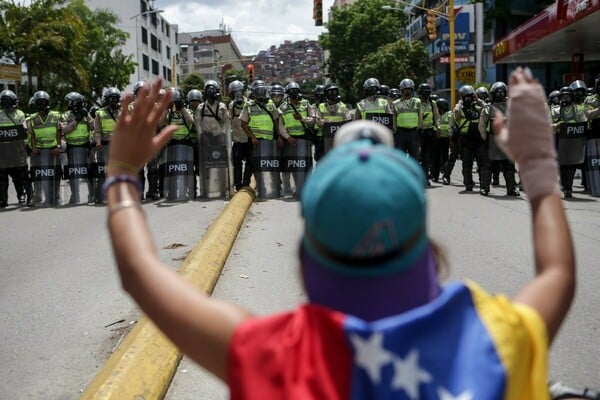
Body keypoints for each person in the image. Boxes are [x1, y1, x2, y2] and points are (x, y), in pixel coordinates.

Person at [104, 70, 574, 398]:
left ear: (305, 260)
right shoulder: (495, 341)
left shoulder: (277, 358)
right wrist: (537, 167)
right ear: (431, 250)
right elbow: (557, 273)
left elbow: (139, 272)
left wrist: (123, 173)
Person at [479, 81, 520, 197]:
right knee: (492, 166)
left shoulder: (510, 107)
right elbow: (482, 126)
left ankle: (508, 189)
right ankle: (487, 188)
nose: (500, 95)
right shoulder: (489, 108)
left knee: (507, 166)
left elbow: (517, 122)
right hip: (497, 140)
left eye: (502, 93)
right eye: (499, 93)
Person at [453, 85, 491, 195]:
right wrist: (460, 102)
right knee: (467, 164)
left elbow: (487, 109)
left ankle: (483, 185)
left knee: (483, 163)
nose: (468, 99)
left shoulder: (478, 108)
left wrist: (478, 100)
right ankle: (468, 184)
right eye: (465, 97)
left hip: (479, 140)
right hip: (466, 140)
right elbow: (456, 112)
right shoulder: (460, 109)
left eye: (470, 96)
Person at [27, 90, 62, 206]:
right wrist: (34, 148)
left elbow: (59, 131)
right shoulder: (32, 118)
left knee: (56, 175)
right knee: (41, 175)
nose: (42, 105)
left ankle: (56, 198)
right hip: (40, 151)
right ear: (36, 104)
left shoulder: (55, 115)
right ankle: (43, 198)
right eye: (39, 102)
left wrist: (58, 146)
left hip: (53, 151)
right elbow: (32, 135)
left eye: (44, 102)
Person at [552, 86, 587, 198]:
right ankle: (563, 184)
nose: (565, 99)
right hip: (559, 141)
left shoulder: (578, 110)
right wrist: (555, 126)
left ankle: (568, 188)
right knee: (562, 165)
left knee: (571, 165)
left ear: (572, 97)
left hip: (573, 142)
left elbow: (584, 123)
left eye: (568, 96)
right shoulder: (555, 110)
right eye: (563, 97)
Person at [60, 91, 94, 204]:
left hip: (86, 147)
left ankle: (92, 195)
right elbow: (65, 130)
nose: (68, 103)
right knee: (73, 173)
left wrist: (87, 116)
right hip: (72, 147)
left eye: (69, 101)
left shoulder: (86, 114)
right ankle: (75, 196)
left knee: (90, 173)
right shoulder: (65, 115)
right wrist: (77, 119)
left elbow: (93, 127)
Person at [0, 89, 32, 207]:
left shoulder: (20, 114)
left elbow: (25, 132)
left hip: (17, 150)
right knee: (2, 177)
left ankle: (26, 196)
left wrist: (27, 146)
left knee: (21, 176)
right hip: (3, 152)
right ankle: (3, 199)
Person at [93, 87, 122, 203]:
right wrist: (98, 142)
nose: (113, 101)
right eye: (111, 98)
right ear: (106, 99)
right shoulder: (99, 113)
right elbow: (97, 131)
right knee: (104, 171)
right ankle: (102, 195)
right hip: (104, 146)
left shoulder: (123, 111)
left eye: (115, 98)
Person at [228, 80, 252, 192]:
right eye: (235, 92)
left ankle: (246, 182)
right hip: (237, 139)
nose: (237, 93)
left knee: (250, 161)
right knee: (237, 163)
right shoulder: (232, 105)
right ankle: (238, 184)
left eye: (238, 91)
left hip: (248, 137)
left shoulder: (249, 103)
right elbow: (229, 120)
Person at [416, 83, 441, 185]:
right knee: (418, 156)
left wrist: (438, 127)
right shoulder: (416, 102)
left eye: (428, 93)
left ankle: (425, 178)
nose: (426, 95)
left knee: (427, 157)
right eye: (424, 93)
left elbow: (436, 116)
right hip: (418, 132)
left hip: (429, 132)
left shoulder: (432, 103)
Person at [392, 78, 421, 161]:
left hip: (413, 132)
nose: (408, 91)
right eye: (406, 89)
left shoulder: (417, 102)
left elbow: (420, 116)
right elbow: (394, 118)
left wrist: (419, 129)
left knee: (415, 157)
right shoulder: (395, 103)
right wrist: (395, 132)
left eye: (409, 89)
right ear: (401, 90)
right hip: (401, 133)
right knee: (400, 158)